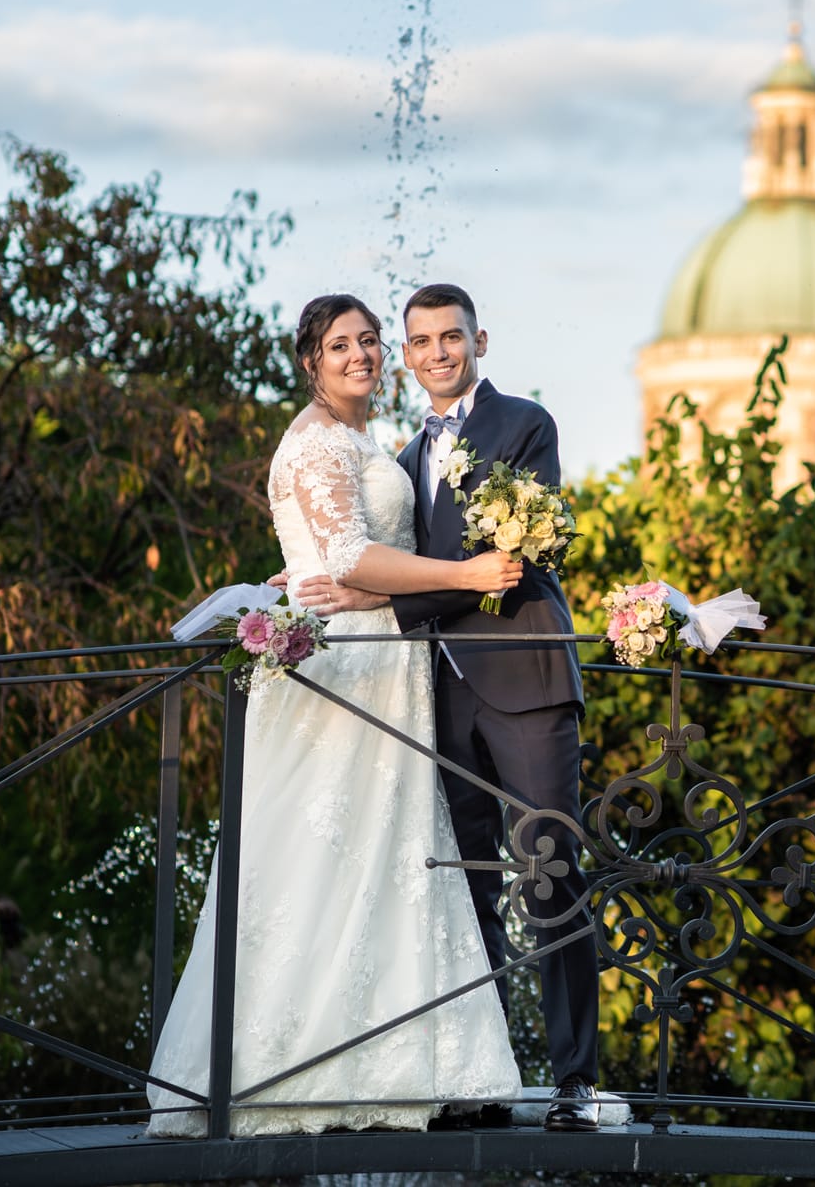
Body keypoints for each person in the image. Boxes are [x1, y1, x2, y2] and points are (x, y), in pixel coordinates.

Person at [147, 294, 525, 1136]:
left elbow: (332, 556)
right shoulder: (317, 441)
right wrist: (467, 576)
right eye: (339, 344)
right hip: (343, 675)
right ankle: (295, 1068)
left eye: (367, 340)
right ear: (310, 361)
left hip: (375, 660)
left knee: (383, 858)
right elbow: (348, 554)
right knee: (328, 861)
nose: (361, 354)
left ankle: (400, 1063)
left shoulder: (359, 443)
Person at [290, 282, 601, 1132]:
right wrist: (324, 579)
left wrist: (377, 603)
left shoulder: (525, 425)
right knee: (464, 887)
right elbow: (388, 556)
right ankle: (481, 1073)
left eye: (450, 337)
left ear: (480, 340)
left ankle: (577, 1080)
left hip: (526, 682)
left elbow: (509, 556)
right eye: (419, 339)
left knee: (551, 874)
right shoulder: (398, 455)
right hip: (440, 694)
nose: (435, 352)